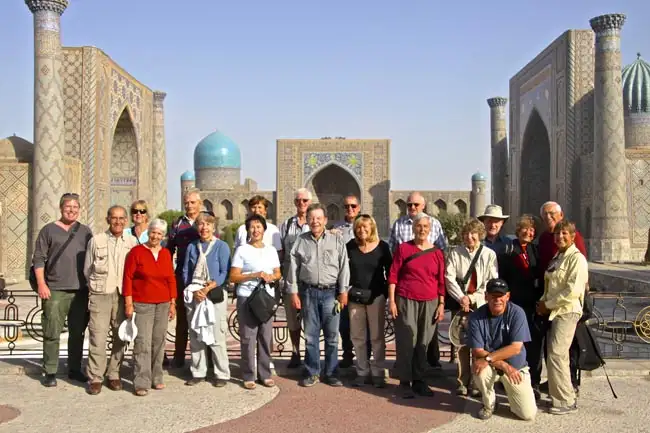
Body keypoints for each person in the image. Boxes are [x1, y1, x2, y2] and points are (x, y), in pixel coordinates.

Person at [32, 192, 93, 387]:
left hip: (80, 291)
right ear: (61, 208)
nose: (72, 210)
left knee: (77, 332)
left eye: (75, 207)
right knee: (52, 330)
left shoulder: (85, 232)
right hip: (55, 289)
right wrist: (42, 284)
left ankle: (74, 369)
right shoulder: (48, 230)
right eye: (68, 207)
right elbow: (39, 258)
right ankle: (50, 370)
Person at [287, 203, 350, 387]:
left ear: (325, 220)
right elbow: (293, 268)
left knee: (331, 337)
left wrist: (343, 290)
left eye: (318, 218)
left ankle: (331, 372)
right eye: (312, 218)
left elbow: (344, 266)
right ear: (307, 220)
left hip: (331, 293)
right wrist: (293, 292)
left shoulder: (336, 240)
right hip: (308, 292)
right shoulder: (301, 241)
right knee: (311, 336)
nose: (315, 222)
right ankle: (312, 372)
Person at [388, 212, 445, 399]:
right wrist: (392, 301)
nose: (422, 230)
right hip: (406, 299)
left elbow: (441, 282)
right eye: (419, 226)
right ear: (413, 228)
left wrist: (441, 304)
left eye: (425, 227)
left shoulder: (437, 253)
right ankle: (405, 381)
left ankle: (420, 380)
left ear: (430, 230)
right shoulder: (404, 249)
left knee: (423, 341)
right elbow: (393, 275)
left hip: (430, 302)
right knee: (407, 339)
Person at [83, 205, 137, 395]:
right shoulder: (96, 241)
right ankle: (96, 377)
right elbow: (87, 269)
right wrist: (95, 289)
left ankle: (114, 374)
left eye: (122, 218)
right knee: (98, 336)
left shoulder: (132, 242)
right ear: (107, 219)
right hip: (101, 294)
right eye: (114, 218)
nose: (118, 222)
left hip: (123, 295)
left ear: (126, 221)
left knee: (120, 336)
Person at [537, 221, 588, 415]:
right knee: (557, 355)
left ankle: (566, 400)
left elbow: (572, 291)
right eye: (557, 234)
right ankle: (558, 395)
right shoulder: (558, 257)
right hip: (555, 311)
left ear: (573, 236)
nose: (560, 237)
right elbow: (550, 286)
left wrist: (547, 305)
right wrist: (542, 303)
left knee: (557, 354)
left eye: (564, 233)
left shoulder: (577, 259)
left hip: (567, 311)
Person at [468, 278, 537, 421]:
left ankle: (513, 397)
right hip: (493, 366)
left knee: (527, 415)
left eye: (501, 295)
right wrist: (503, 365)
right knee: (478, 369)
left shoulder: (517, 313)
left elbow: (516, 348)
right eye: (493, 296)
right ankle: (489, 404)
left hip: (515, 367)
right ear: (486, 296)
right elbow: (477, 351)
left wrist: (493, 360)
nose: (497, 299)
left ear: (508, 296)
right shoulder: (475, 317)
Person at [123, 219, 177, 396]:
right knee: (143, 342)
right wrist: (128, 303)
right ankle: (141, 380)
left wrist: (172, 302)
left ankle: (157, 376)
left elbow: (170, 278)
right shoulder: (136, 252)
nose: (155, 236)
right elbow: (128, 278)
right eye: (153, 232)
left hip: (162, 303)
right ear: (149, 233)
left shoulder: (165, 254)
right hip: (142, 303)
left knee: (158, 341)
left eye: (159, 233)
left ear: (163, 236)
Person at [445, 218, 498, 396]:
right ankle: (462, 380)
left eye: (473, 233)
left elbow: (490, 281)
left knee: (479, 343)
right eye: (466, 233)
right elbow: (449, 277)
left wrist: (473, 297)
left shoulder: (489, 254)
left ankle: (477, 381)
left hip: (481, 304)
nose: (470, 237)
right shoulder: (455, 253)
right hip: (461, 305)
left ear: (480, 235)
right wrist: (462, 298)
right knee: (461, 344)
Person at [230, 214, 282, 389]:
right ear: (248, 230)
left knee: (265, 337)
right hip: (247, 297)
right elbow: (234, 276)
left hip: (265, 297)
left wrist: (270, 276)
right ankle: (248, 374)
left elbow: (278, 272)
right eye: (252, 227)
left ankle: (264, 373)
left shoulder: (271, 250)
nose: (256, 230)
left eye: (259, 226)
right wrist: (254, 274)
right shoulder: (242, 250)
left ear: (264, 229)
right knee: (248, 337)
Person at [182, 212, 232, 387]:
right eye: (201, 224)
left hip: (214, 294)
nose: (204, 228)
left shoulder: (221, 246)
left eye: (208, 224)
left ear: (214, 227)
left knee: (217, 334)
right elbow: (187, 271)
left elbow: (225, 272)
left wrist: (208, 287)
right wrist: (193, 288)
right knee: (196, 334)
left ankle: (221, 373)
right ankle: (198, 371)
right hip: (195, 294)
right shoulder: (192, 247)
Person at [498, 215, 544, 399]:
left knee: (534, 344)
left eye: (532, 230)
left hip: (533, 305)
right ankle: (510, 379)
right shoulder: (509, 249)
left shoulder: (536, 250)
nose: (529, 232)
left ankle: (534, 382)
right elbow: (502, 277)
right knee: (514, 343)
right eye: (525, 228)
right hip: (515, 304)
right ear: (518, 230)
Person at [346, 214, 392, 388]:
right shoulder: (350, 246)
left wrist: (386, 295)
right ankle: (362, 371)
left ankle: (379, 370)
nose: (362, 230)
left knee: (377, 337)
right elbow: (344, 269)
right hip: (355, 297)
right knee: (357, 336)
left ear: (372, 228)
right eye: (358, 227)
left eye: (365, 227)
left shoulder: (382, 247)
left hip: (376, 297)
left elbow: (390, 272)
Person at [166, 189, 202, 367]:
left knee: (202, 319)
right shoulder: (177, 224)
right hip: (182, 276)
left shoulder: (205, 222)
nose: (189, 206)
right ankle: (179, 357)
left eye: (192, 202)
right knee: (182, 320)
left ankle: (203, 360)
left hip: (201, 278)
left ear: (199, 204)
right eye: (186, 202)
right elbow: (169, 250)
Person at [278, 188, 312, 368]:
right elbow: (281, 253)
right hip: (291, 281)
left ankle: (309, 353)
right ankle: (295, 352)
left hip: (309, 281)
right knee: (292, 320)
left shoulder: (315, 223)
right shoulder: (286, 225)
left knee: (310, 320)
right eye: (298, 200)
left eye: (305, 201)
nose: (301, 204)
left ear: (310, 202)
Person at [332, 194, 362, 368]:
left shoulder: (366, 225)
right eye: (346, 206)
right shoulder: (336, 228)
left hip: (360, 282)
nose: (350, 209)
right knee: (344, 323)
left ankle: (363, 357)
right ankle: (347, 354)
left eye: (353, 206)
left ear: (358, 207)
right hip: (341, 283)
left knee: (360, 322)